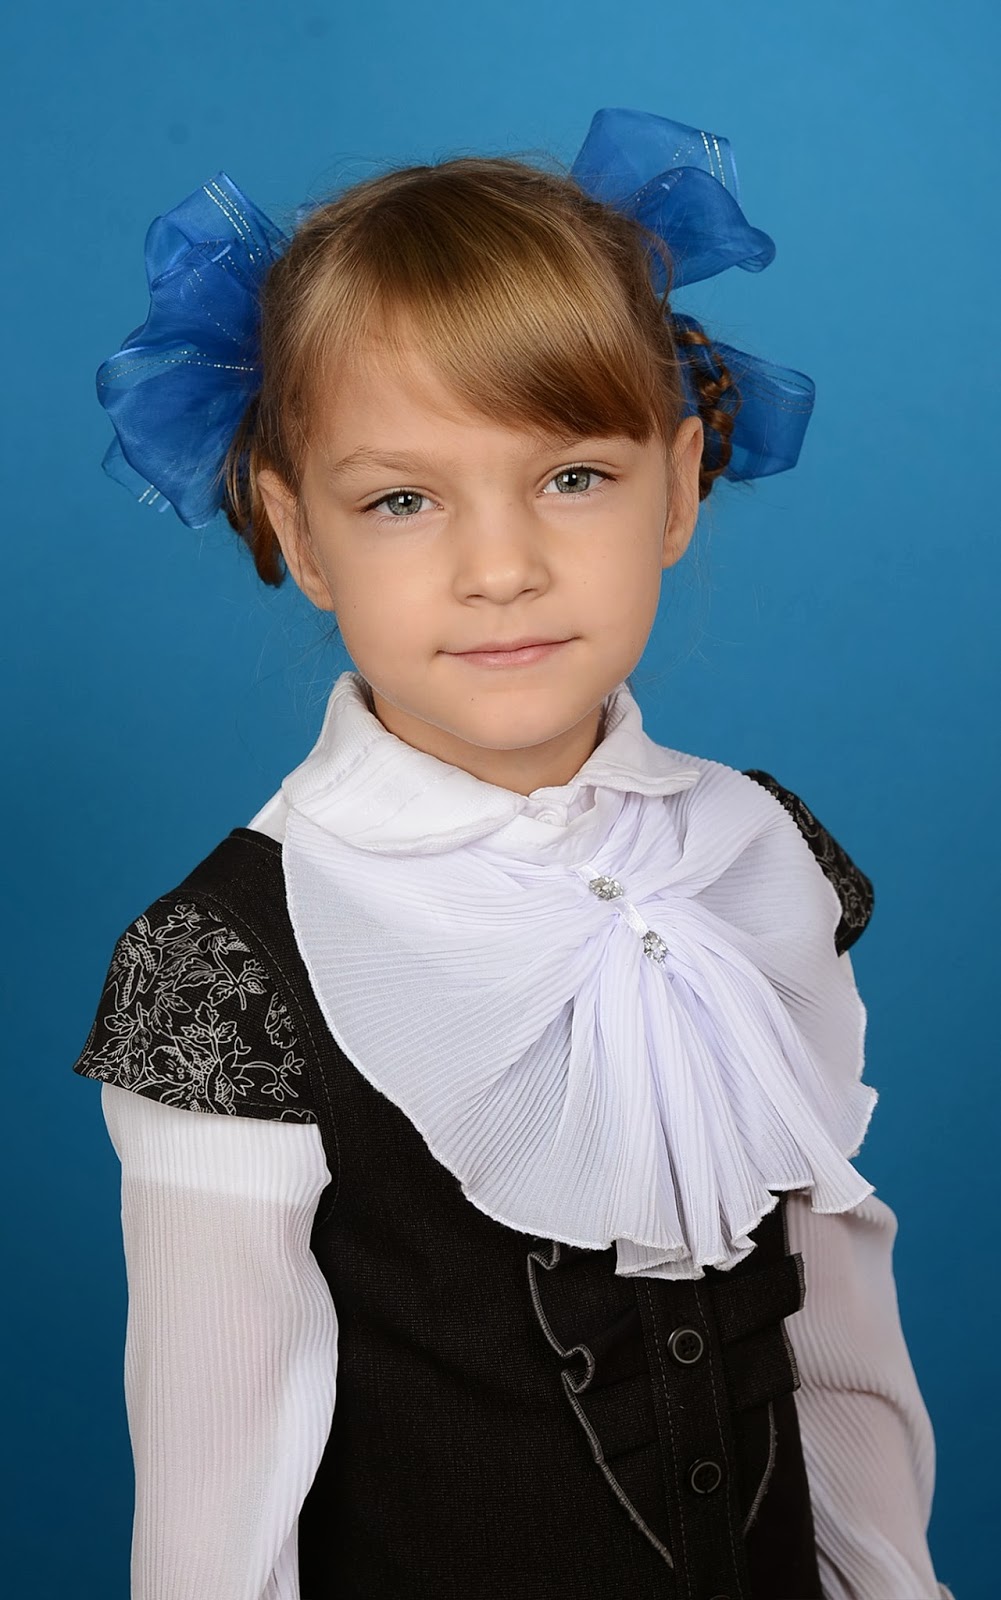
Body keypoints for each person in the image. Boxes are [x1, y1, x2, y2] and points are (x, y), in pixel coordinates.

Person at [72, 108, 955, 1599]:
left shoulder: (753, 853)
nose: (500, 568)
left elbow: (837, 1337)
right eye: (402, 499)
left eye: (572, 477)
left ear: (679, 486)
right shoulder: (230, 962)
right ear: (299, 533)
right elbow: (217, 1498)